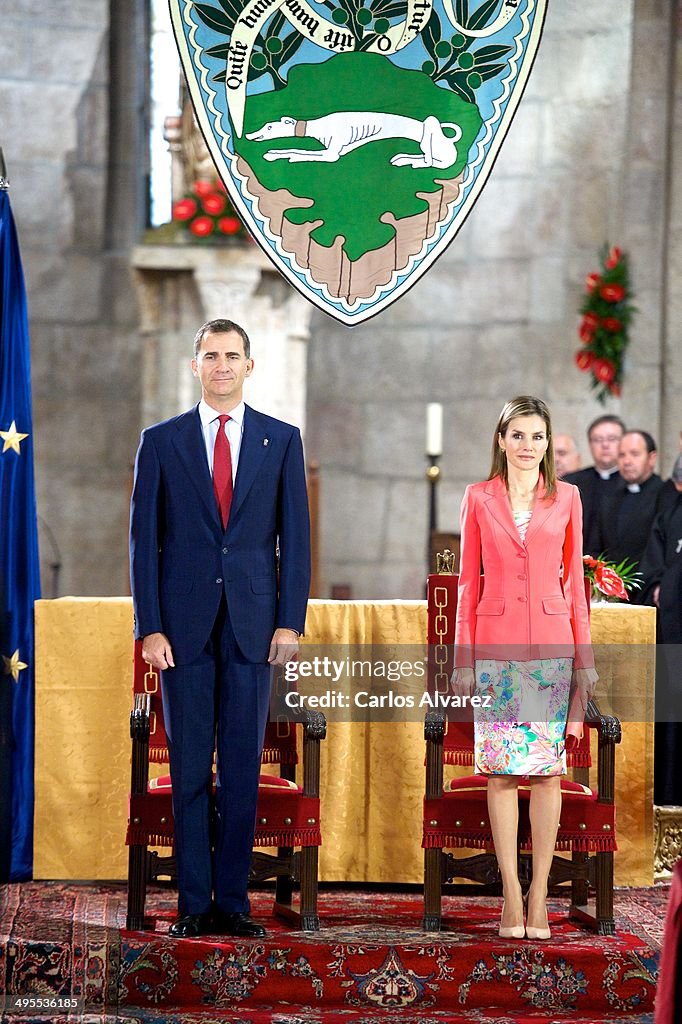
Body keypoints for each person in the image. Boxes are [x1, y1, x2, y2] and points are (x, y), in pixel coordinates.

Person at [129, 318, 311, 939]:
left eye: (233, 355)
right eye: (211, 355)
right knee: (186, 771)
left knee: (239, 767)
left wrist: (291, 619)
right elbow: (142, 543)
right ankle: (192, 903)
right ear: (195, 365)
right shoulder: (161, 442)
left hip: (255, 628)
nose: (223, 365)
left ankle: (232, 902)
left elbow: (296, 538)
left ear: (250, 366)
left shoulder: (281, 441)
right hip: (181, 634)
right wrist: (148, 627)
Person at [452, 396, 597, 940]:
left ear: (547, 442)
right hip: (494, 648)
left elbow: (575, 587)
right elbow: (467, 582)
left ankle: (540, 897)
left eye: (537, 436)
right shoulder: (476, 497)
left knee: (545, 772)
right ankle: (510, 895)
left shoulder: (568, 498)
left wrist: (585, 661)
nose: (527, 446)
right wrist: (464, 656)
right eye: (518, 435)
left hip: (552, 649)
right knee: (504, 772)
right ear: (501, 440)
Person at [638, 454, 682, 806]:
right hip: (673, 637)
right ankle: (668, 805)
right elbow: (651, 570)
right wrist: (658, 586)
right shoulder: (670, 514)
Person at [596, 430, 663, 573]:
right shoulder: (609, 497)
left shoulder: (665, 495)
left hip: (648, 586)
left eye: (635, 454)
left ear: (652, 458)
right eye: (622, 455)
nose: (626, 461)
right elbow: (597, 545)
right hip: (610, 588)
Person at [565, 414, 625, 555]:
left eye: (612, 439)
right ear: (590, 444)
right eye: (598, 440)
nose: (605, 445)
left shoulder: (632, 484)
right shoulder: (572, 483)